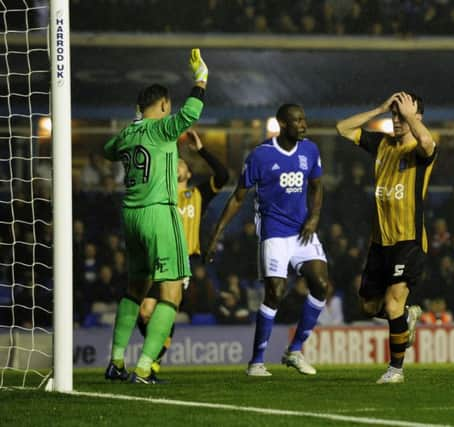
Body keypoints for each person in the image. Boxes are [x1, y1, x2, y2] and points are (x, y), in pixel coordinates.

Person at [102, 49, 209, 384]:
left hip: (130, 217)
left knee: (135, 289)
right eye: (169, 106)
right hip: (159, 215)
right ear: (163, 105)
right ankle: (145, 367)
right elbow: (192, 111)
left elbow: (108, 151)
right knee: (171, 293)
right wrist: (201, 78)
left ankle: (115, 361)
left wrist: (134, 123)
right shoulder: (162, 129)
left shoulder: (126, 134)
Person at [205, 103, 329, 377]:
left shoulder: (310, 150)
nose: (304, 125)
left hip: (303, 231)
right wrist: (216, 235)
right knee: (276, 291)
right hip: (273, 233)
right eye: (297, 121)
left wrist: (314, 218)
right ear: (283, 124)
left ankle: (294, 350)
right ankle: (257, 361)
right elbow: (238, 197)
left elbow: (317, 186)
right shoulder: (260, 155)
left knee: (321, 284)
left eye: (304, 119)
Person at [336, 91, 435, 384]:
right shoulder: (382, 145)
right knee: (367, 306)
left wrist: (409, 117)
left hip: (409, 240)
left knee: (392, 305)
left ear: (417, 118)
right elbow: (343, 128)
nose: (397, 120)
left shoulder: (420, 149)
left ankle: (396, 369)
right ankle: (407, 316)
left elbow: (428, 143)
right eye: (394, 115)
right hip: (380, 241)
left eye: (403, 115)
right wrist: (378, 108)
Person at [136, 128, 228, 379]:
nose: (178, 165)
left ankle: (150, 364)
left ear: (188, 172)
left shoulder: (197, 194)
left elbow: (223, 175)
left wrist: (201, 151)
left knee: (166, 309)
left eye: (182, 163)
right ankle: (154, 356)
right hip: (156, 260)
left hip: (181, 262)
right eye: (173, 163)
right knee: (144, 312)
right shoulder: (160, 193)